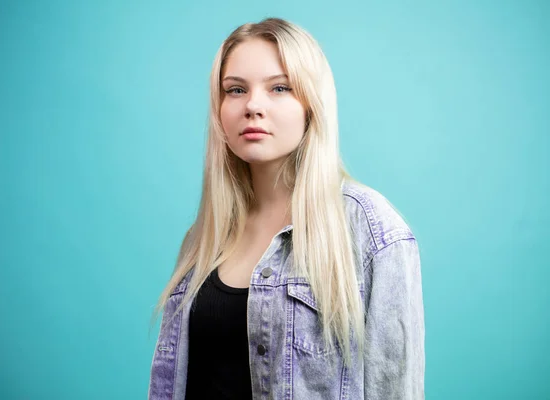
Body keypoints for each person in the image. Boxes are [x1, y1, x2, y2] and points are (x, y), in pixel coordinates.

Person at [148, 17, 425, 400]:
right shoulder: (202, 239)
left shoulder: (371, 230)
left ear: (311, 105)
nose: (253, 106)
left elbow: (395, 389)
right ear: (219, 110)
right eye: (235, 90)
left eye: (279, 87)